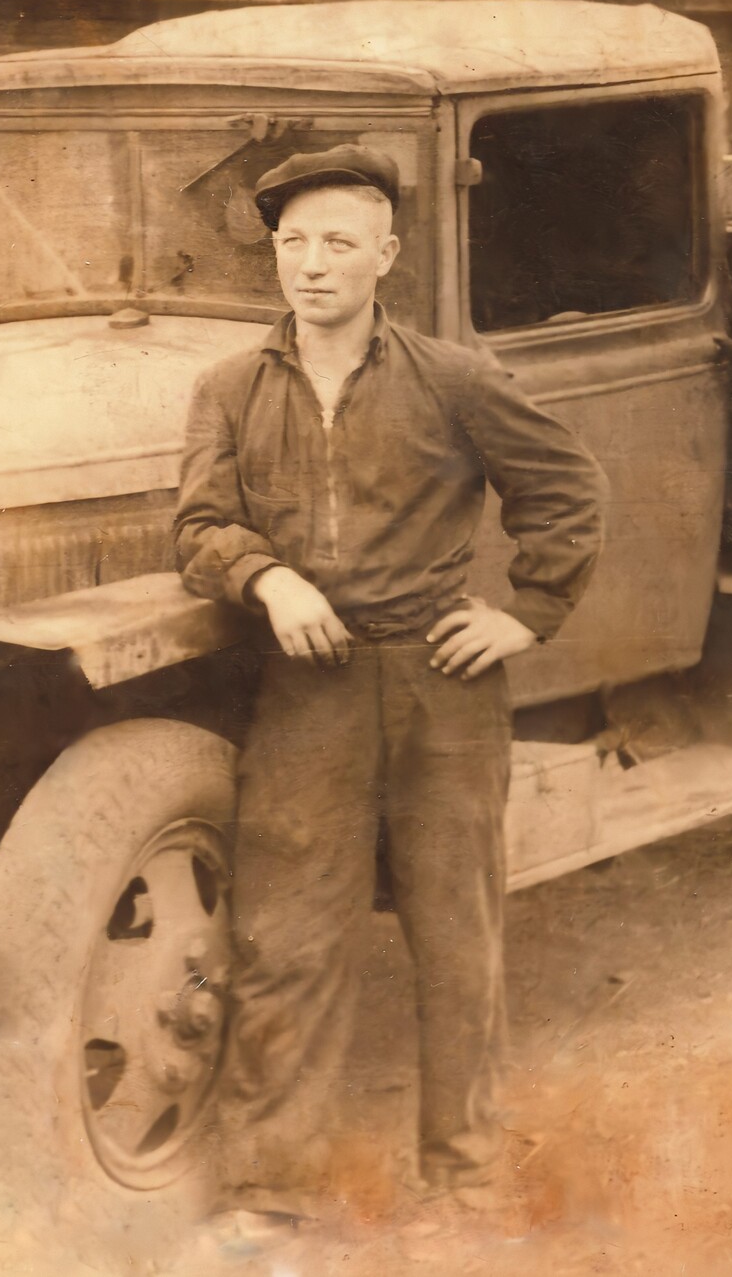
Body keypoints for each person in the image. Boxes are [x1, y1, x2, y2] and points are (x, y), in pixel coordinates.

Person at [173, 144, 608, 1235]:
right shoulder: (228, 388)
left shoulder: (451, 378)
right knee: (287, 941)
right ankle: (270, 1191)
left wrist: (525, 614)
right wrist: (266, 579)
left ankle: (463, 1173)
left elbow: (566, 489)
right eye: (290, 245)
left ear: (385, 256)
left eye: (336, 243)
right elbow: (196, 528)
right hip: (305, 691)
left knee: (455, 935)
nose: (310, 266)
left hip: (438, 686)